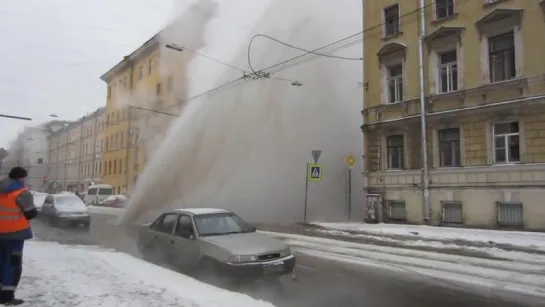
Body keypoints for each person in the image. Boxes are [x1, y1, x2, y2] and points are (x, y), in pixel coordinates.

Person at [0, 167, 37, 305]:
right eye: (24, 177)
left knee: (2, 262)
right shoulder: (22, 193)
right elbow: (30, 213)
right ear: (20, 178)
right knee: (13, 265)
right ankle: (7, 296)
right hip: (15, 235)